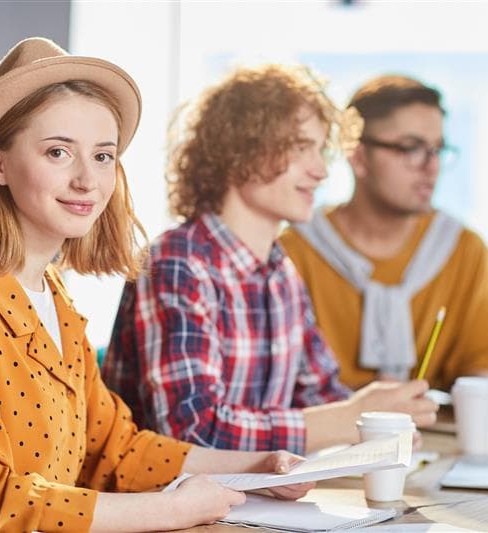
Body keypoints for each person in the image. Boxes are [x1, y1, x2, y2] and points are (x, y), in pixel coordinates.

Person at [0, 38, 314, 533]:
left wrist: (255, 467)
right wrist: (171, 509)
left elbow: (115, 450)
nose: (87, 180)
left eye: (103, 156)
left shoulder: (53, 295)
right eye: (58, 152)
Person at [102, 65, 438, 456]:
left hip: (253, 505)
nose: (320, 170)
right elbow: (190, 431)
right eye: (299, 147)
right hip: (170, 510)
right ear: (241, 150)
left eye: (319, 149)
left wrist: (377, 419)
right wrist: (349, 419)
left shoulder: (281, 271)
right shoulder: (178, 263)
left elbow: (320, 392)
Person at [279, 75, 488, 396]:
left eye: (438, 149)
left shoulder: (465, 250)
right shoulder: (293, 252)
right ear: (358, 157)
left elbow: (483, 370)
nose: (431, 166)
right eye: (411, 148)